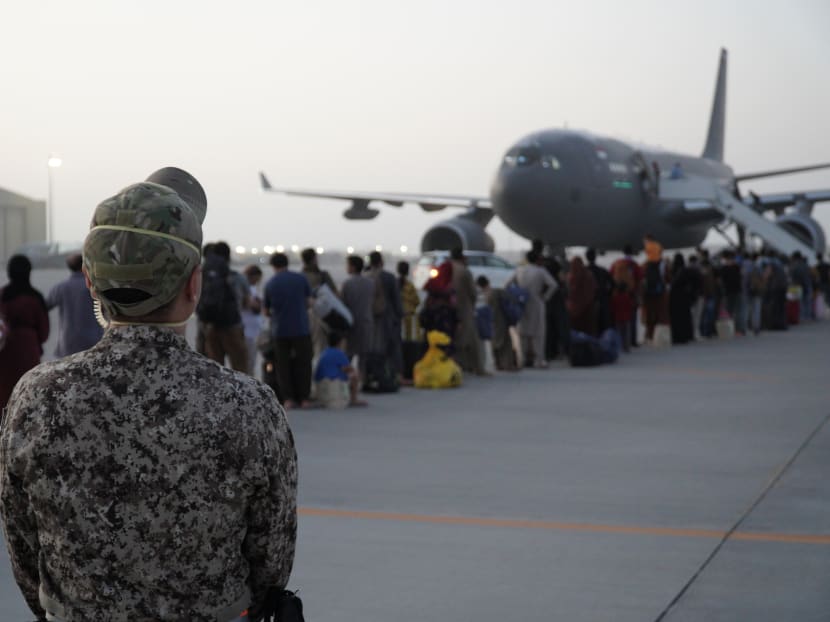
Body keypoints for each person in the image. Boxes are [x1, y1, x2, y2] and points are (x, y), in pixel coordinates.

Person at [0, 171, 297, 621]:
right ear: (193, 285)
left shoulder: (36, 398)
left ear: (90, 282)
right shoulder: (249, 404)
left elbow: (24, 552)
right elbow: (272, 562)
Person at [263, 252, 313, 409]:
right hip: (301, 327)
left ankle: (288, 399)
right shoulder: (300, 279)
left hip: (280, 330)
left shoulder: (270, 283)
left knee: (282, 365)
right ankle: (304, 398)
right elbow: (309, 302)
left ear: (273, 266)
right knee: (304, 363)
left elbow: (266, 311)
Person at [0, 255, 50, 410]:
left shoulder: (2, 295)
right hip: (29, 349)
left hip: (5, 350)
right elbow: (44, 332)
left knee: (5, 392)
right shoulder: (36, 297)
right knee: (28, 392)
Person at [198, 240, 251, 372]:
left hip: (210, 325)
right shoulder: (236, 278)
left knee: (215, 369)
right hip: (232, 324)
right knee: (240, 367)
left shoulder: (204, 273)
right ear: (228, 257)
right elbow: (246, 303)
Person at [45, 253, 103, 358]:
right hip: (92, 340)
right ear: (85, 265)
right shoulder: (93, 287)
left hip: (68, 343)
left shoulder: (61, 288)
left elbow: (45, 306)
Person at [516, 250, 558, 367]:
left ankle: (523, 359)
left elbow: (508, 285)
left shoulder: (520, 270)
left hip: (522, 303)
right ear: (537, 260)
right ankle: (538, 360)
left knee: (523, 333)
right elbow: (553, 285)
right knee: (538, 334)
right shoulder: (540, 271)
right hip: (537, 303)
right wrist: (545, 296)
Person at [367, 251, 404, 377]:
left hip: (371, 318)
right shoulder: (389, 277)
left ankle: (374, 374)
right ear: (381, 262)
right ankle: (395, 375)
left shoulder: (366, 277)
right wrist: (400, 314)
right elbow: (396, 298)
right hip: (389, 316)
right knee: (393, 347)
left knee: (374, 347)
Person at [448, 247, 483, 374]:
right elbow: (473, 293)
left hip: (448, 309)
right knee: (471, 338)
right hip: (464, 307)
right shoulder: (464, 271)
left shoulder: (446, 268)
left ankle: (459, 365)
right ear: (463, 257)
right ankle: (477, 368)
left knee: (455, 337)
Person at [341, 254, 374, 381]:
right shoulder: (370, 283)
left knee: (348, 355)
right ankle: (362, 380)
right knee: (363, 357)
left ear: (353, 267)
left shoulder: (347, 284)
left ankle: (346, 382)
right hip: (367, 322)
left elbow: (343, 304)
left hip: (351, 323)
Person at [301, 247, 338, 358]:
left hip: (304, 317)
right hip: (322, 316)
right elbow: (335, 294)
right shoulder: (323, 275)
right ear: (314, 259)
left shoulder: (300, 277)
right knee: (321, 347)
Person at [314, 331, 366, 408]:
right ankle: (354, 399)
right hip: (332, 385)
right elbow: (350, 369)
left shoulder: (324, 352)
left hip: (320, 385)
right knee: (355, 375)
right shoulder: (339, 353)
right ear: (340, 342)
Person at [477, 275, 518, 371]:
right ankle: (508, 364)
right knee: (505, 343)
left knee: (495, 343)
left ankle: (499, 363)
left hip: (491, 321)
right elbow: (510, 298)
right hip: (501, 320)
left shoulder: (484, 295)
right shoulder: (496, 291)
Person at [610, 244, 642, 347]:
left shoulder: (616, 263)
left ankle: (619, 341)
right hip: (630, 294)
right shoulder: (634, 264)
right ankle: (632, 341)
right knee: (632, 318)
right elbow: (639, 278)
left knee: (618, 320)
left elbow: (610, 275)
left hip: (617, 294)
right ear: (631, 252)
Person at [241, 264, 264, 377]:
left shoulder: (252, 288)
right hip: (247, 331)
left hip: (253, 330)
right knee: (248, 361)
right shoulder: (245, 288)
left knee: (251, 360)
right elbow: (250, 305)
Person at [585, 248, 613, 333]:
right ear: (595, 257)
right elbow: (613, 284)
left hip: (588, 303)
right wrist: (607, 295)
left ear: (586, 257)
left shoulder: (584, 271)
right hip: (602, 301)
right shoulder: (602, 271)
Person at [567, 256, 597, 336]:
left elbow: (570, 293)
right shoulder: (589, 275)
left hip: (573, 312)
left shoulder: (571, 276)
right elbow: (593, 290)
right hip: (588, 310)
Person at [669, 253, 695, 344]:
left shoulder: (672, 270)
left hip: (674, 298)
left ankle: (676, 337)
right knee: (685, 318)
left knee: (676, 319)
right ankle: (686, 336)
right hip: (684, 297)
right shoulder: (686, 270)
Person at [610, 281, 634, 352]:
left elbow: (612, 308)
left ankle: (618, 347)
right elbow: (630, 307)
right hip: (626, 318)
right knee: (626, 334)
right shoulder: (627, 297)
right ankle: (626, 347)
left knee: (618, 333)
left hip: (617, 318)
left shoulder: (615, 297)